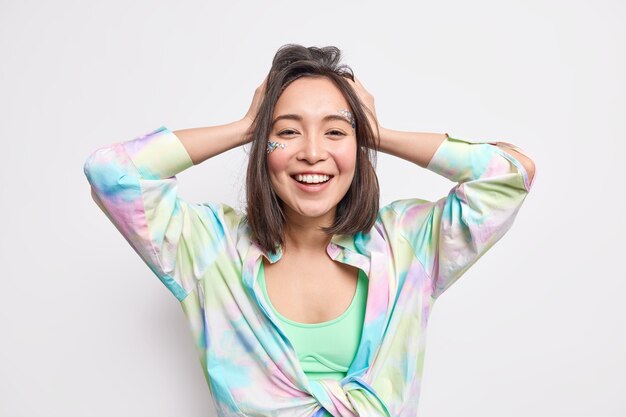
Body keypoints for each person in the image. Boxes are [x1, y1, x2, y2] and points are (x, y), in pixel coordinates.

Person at [83, 44, 536, 417]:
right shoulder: (209, 251)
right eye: (288, 132)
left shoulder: (407, 247)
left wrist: (377, 132)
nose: (313, 153)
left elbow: (510, 176)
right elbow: (112, 173)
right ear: (264, 147)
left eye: (336, 133)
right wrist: (245, 126)